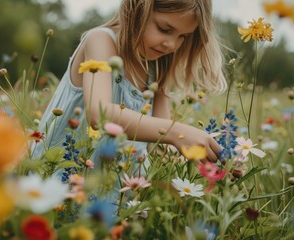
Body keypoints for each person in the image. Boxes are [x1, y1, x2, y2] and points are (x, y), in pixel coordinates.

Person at [33, 0, 226, 177]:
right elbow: (99, 114)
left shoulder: (158, 68)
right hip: (58, 178)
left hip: (111, 195)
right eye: (165, 29)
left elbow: (159, 147)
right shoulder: (100, 41)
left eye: (183, 36)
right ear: (138, 9)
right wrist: (176, 132)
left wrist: (206, 155)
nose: (172, 44)